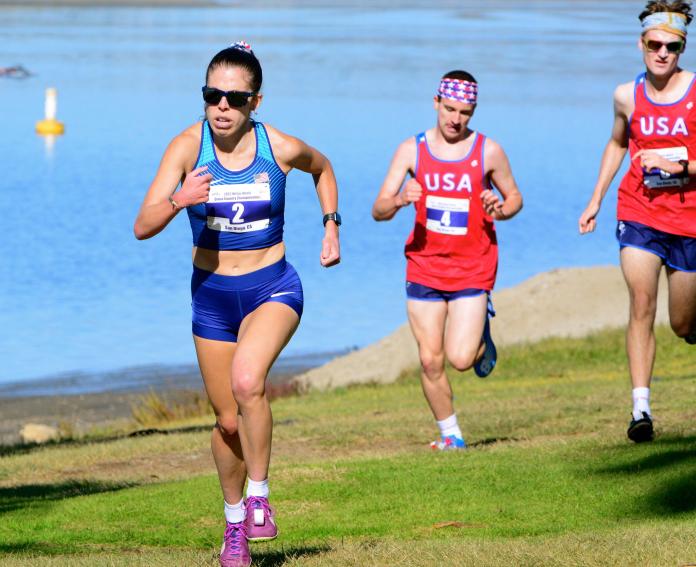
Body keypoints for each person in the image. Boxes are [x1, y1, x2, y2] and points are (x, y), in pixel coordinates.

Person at [134, 41, 341, 567]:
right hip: (211, 298)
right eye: (212, 95)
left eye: (234, 97)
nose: (222, 107)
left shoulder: (280, 148)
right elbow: (142, 226)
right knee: (228, 422)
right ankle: (233, 529)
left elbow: (324, 168)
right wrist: (181, 200)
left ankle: (260, 497)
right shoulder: (186, 148)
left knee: (249, 382)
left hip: (273, 287)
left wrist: (331, 228)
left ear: (256, 102)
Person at [372, 70, 522, 451]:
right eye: (450, 109)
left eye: (465, 112)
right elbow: (378, 210)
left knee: (458, 358)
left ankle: (481, 341)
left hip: (473, 267)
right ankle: (451, 434)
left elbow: (514, 199)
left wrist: (499, 208)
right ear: (436, 103)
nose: (456, 119)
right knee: (429, 359)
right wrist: (400, 198)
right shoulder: (412, 150)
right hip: (424, 265)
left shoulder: (488, 151)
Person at [579, 1, 696, 444]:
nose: (662, 53)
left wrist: (677, 164)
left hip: (689, 221)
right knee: (641, 301)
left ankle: (690, 329)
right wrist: (595, 200)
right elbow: (616, 143)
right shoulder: (626, 95)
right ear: (641, 43)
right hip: (639, 213)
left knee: (683, 324)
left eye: (672, 46)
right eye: (654, 44)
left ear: (682, 47)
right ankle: (640, 409)